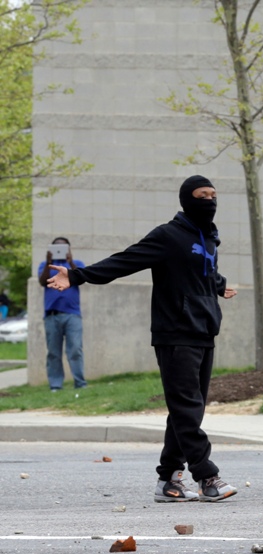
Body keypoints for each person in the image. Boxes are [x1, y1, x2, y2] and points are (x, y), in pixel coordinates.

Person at [46, 175, 239, 503]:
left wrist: (219, 286)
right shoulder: (168, 236)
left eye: (213, 194)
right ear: (186, 200)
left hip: (204, 329)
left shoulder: (208, 238)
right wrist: (77, 275)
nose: (209, 200)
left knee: (186, 409)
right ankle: (206, 475)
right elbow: (125, 260)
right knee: (187, 407)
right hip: (174, 332)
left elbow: (202, 272)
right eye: (201, 195)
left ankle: (168, 481)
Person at [37, 237, 87, 391]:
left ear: (69, 249)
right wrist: (48, 262)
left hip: (72, 314)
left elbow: (81, 279)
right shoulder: (45, 265)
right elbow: (42, 281)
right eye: (56, 247)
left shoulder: (77, 264)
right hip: (52, 315)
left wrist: (70, 262)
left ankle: (80, 384)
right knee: (53, 353)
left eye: (63, 247)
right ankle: (56, 386)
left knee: (75, 350)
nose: (59, 249)